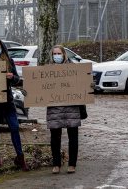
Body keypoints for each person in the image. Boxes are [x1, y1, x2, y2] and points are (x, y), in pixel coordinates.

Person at [0, 38, 29, 171]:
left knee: (14, 127)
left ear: (2, 48)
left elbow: (17, 80)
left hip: (7, 100)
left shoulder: (9, 61)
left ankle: (20, 157)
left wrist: (11, 77)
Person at [47, 45, 81, 174]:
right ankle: (56, 164)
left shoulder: (74, 69)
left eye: (59, 53)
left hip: (71, 107)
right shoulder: (47, 71)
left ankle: (72, 164)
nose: (57, 56)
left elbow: (82, 83)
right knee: (55, 137)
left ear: (64, 54)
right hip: (54, 108)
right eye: (54, 54)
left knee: (73, 136)